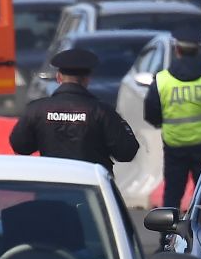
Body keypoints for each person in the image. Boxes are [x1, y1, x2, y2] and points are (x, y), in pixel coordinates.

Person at [9, 48, 142, 170]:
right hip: (89, 187)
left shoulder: (36, 109)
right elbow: (127, 152)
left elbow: (20, 146)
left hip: (51, 186)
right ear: (86, 79)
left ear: (58, 77)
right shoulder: (102, 111)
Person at [146, 22, 201, 208]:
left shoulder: (162, 79)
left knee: (173, 192)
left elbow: (151, 112)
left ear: (177, 50)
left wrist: (164, 123)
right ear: (198, 50)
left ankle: (167, 234)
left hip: (174, 144)